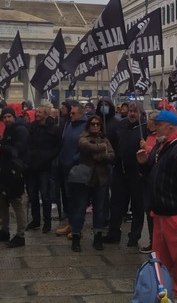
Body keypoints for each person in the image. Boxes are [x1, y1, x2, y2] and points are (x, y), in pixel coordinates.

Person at [137, 110, 177, 303]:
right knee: (159, 258)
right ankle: (162, 291)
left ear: (170, 126)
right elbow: (151, 172)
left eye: (159, 124)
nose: (155, 128)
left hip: (174, 214)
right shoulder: (161, 145)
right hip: (159, 212)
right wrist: (143, 163)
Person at [69, 114, 115, 252]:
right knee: (80, 209)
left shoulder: (105, 139)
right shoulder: (83, 137)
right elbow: (85, 146)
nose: (95, 126)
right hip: (84, 179)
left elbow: (112, 155)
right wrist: (102, 148)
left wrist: (99, 154)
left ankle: (98, 237)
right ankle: (76, 237)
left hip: (101, 178)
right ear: (88, 125)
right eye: (93, 124)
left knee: (99, 210)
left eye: (97, 124)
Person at [104, 102, 146, 247]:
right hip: (120, 171)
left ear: (140, 113)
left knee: (137, 206)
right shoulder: (121, 125)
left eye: (135, 111)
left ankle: (134, 236)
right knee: (116, 204)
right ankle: (113, 233)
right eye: (130, 111)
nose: (132, 114)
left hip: (136, 173)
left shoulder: (144, 127)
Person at [0, 107, 29, 247]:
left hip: (15, 171)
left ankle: (20, 235)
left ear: (14, 117)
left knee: (17, 203)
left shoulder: (21, 130)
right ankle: (5, 230)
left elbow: (17, 150)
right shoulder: (8, 130)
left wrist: (1, 147)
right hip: (5, 170)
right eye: (4, 117)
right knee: (2, 201)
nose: (7, 119)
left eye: (9, 117)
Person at [24, 104, 60, 233]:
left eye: (39, 112)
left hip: (45, 166)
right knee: (32, 195)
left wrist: (47, 157)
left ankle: (47, 222)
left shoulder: (54, 129)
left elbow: (57, 147)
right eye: (37, 112)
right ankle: (35, 220)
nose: (37, 114)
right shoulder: (31, 127)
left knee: (45, 195)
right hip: (31, 166)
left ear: (46, 114)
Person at [55, 101, 87, 236]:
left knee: (78, 200)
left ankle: (77, 229)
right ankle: (71, 224)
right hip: (66, 166)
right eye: (70, 113)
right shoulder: (69, 124)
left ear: (80, 114)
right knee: (69, 198)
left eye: (73, 113)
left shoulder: (85, 126)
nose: (70, 115)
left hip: (77, 168)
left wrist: (75, 159)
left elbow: (85, 147)